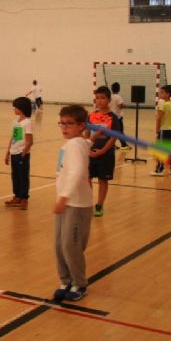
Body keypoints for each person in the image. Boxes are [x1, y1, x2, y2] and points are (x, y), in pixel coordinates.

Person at [52, 104, 93, 302]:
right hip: (65, 202)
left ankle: (79, 283)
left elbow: (76, 172)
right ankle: (66, 280)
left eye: (69, 124)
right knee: (60, 245)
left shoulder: (76, 144)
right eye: (62, 123)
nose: (64, 128)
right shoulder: (72, 144)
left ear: (81, 126)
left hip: (76, 204)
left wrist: (65, 196)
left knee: (71, 245)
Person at [86, 86, 120, 217]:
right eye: (97, 98)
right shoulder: (91, 116)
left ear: (109, 99)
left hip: (106, 155)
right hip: (90, 153)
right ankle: (88, 202)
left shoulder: (113, 118)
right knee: (87, 178)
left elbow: (113, 138)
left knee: (102, 180)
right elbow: (87, 134)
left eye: (102, 98)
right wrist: (87, 147)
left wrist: (101, 151)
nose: (99, 101)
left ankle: (99, 204)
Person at [4, 97, 34, 210]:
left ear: (21, 108)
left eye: (16, 107)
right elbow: (13, 138)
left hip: (22, 154)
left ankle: (24, 198)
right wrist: (8, 153)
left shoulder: (27, 123)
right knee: (15, 176)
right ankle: (17, 196)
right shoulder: (15, 122)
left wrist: (23, 153)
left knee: (23, 177)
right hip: (13, 153)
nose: (14, 109)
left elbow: (30, 141)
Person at [151, 85, 171, 176]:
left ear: (168, 94)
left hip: (163, 129)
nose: (160, 94)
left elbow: (159, 118)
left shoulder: (163, 105)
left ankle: (159, 169)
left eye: (162, 92)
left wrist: (157, 129)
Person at [109, 82, 130, 150]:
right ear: (119, 89)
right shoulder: (118, 97)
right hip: (118, 118)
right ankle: (123, 145)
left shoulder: (110, 97)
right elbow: (120, 106)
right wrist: (124, 106)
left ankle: (112, 145)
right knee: (120, 132)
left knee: (112, 132)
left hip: (111, 117)